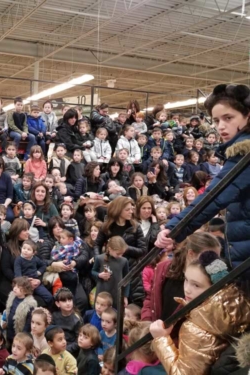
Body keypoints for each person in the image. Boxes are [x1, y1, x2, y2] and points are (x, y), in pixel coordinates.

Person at [156, 84, 250, 291]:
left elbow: (214, 196)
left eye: (228, 118)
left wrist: (174, 229)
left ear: (247, 116)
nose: (221, 127)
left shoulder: (245, 152)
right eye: (216, 120)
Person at [150, 251, 250, 374]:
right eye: (186, 280)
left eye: (196, 285)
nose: (187, 289)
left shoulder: (195, 328)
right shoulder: (240, 304)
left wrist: (161, 339)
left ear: (214, 289)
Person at [142, 232, 221, 322]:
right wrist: (147, 321)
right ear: (191, 254)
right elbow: (150, 297)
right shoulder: (163, 268)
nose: (214, 263)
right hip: (157, 330)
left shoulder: (213, 278)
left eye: (217, 258)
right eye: (209, 257)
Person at [93, 197, 146, 306]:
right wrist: (99, 259)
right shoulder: (106, 226)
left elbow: (143, 250)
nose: (131, 212)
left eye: (132, 209)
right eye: (127, 209)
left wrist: (125, 249)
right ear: (118, 209)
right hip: (110, 268)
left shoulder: (135, 227)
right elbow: (97, 244)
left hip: (130, 269)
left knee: (129, 303)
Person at [92, 236, 129, 309]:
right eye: (118, 254)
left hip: (117, 294)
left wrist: (125, 296)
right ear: (110, 249)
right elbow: (93, 271)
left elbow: (127, 279)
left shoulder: (124, 261)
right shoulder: (100, 258)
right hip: (102, 292)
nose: (120, 256)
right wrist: (99, 275)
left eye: (122, 254)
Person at [14, 239, 52, 305]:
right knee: (24, 301)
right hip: (24, 283)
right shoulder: (18, 260)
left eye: (29, 249)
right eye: (24, 248)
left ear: (34, 253)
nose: (25, 250)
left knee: (49, 297)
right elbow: (18, 275)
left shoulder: (35, 259)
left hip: (36, 282)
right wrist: (26, 281)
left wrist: (39, 272)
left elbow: (43, 265)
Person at [5, 276, 38, 347]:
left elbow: (28, 323)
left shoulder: (30, 304)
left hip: (19, 334)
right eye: (15, 286)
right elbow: (8, 310)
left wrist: (23, 335)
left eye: (19, 287)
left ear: (26, 290)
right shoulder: (12, 296)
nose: (15, 288)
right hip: (9, 330)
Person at [51, 288, 82, 357]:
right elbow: (51, 333)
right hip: (57, 345)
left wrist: (66, 349)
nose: (68, 303)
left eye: (70, 300)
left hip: (70, 351)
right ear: (57, 304)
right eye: (64, 301)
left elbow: (79, 340)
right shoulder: (55, 316)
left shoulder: (77, 319)